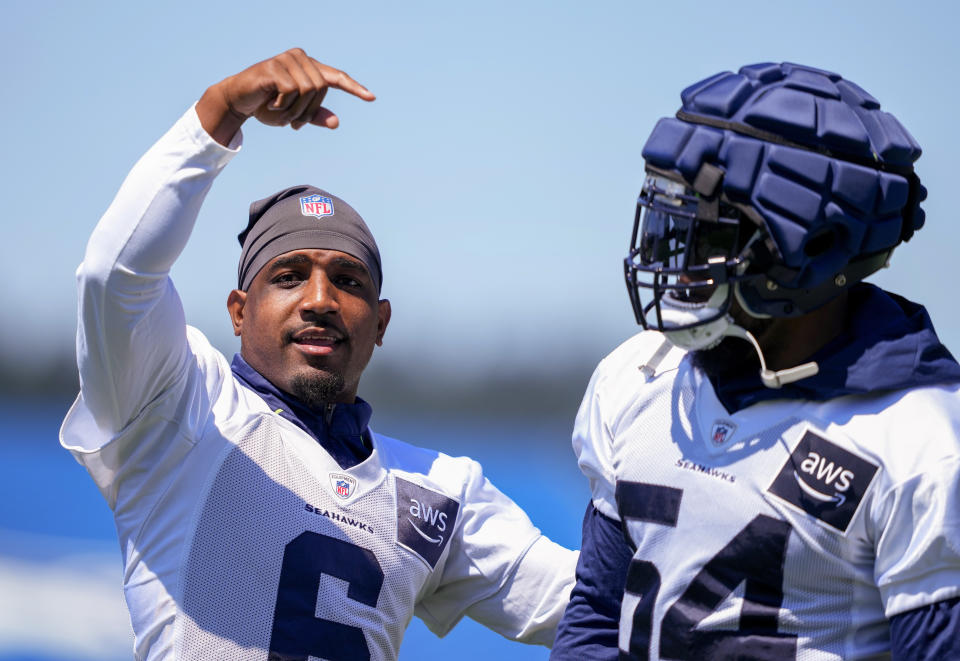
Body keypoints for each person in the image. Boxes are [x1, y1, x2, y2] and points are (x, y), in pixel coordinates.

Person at [59, 48, 576, 660]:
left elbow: (600, 603)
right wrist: (220, 112)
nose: (321, 300)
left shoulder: (436, 493)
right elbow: (113, 277)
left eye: (349, 282)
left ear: (380, 323)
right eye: (288, 275)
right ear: (238, 311)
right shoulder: (180, 407)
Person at [551, 62, 960, 659]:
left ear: (814, 250)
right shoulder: (639, 375)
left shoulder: (924, 439)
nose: (673, 256)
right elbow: (597, 617)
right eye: (669, 222)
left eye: (706, 233)